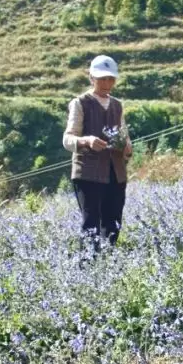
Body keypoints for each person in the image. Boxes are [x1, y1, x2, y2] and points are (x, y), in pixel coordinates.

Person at [63, 55, 133, 252]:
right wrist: (87, 141)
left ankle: (107, 262)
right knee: (91, 225)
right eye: (102, 79)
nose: (107, 83)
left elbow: (124, 135)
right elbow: (68, 139)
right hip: (88, 173)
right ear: (91, 78)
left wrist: (127, 147)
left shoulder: (117, 105)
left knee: (113, 223)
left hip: (115, 173)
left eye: (111, 79)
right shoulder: (80, 103)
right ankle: (87, 265)